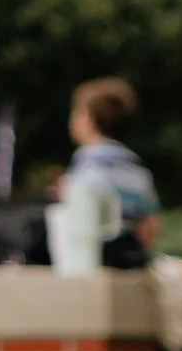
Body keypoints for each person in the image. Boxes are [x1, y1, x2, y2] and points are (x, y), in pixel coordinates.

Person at [65, 78, 161, 250]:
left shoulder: (88, 159)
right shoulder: (137, 166)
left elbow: (77, 213)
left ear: (89, 120)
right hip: (129, 256)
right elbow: (151, 225)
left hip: (94, 253)